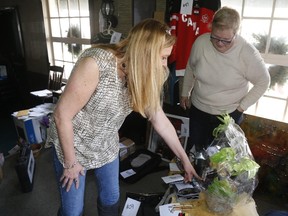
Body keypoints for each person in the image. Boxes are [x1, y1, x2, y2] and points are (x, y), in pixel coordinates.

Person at [47, 18, 200, 216]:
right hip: (72, 143)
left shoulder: (148, 73)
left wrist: (184, 159)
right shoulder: (97, 64)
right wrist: (70, 163)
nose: (164, 66)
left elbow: (159, 119)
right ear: (144, 53)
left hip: (106, 141)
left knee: (111, 198)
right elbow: (62, 115)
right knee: (73, 211)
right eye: (162, 58)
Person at [180, 7, 270, 153]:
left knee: (220, 162)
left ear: (236, 33)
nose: (220, 43)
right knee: (195, 153)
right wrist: (185, 92)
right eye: (215, 37)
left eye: (226, 40)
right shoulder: (201, 42)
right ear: (211, 29)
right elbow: (191, 67)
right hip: (198, 110)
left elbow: (264, 82)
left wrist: (240, 108)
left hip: (228, 115)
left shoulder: (247, 52)